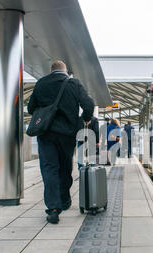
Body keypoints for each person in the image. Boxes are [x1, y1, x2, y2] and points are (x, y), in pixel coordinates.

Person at [28, 60, 94, 224]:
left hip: (46, 132)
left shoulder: (41, 83)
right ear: (65, 71)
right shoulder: (73, 83)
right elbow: (89, 105)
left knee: (49, 168)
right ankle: (64, 199)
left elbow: (31, 108)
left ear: (51, 70)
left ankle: (53, 208)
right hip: (67, 133)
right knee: (65, 167)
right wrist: (84, 119)